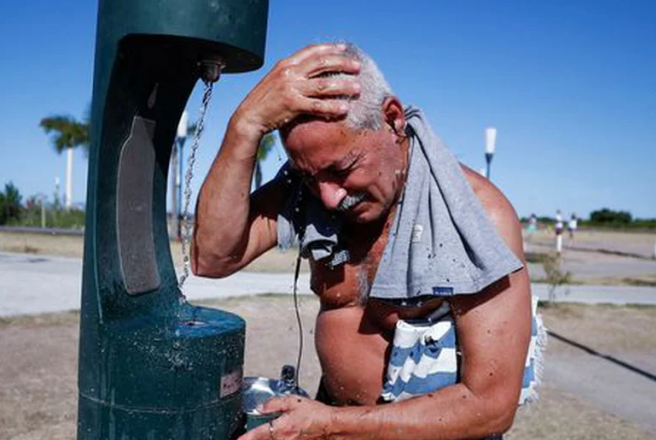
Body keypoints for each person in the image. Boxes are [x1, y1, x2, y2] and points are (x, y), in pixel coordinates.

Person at [193, 43, 535, 440]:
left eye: (343, 169)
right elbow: (212, 256)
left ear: (391, 119)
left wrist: (328, 426)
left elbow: (490, 406)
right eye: (309, 176)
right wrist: (245, 124)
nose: (329, 198)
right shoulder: (314, 187)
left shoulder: (479, 218)